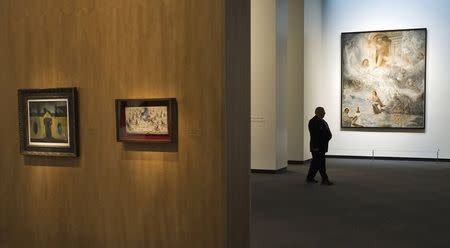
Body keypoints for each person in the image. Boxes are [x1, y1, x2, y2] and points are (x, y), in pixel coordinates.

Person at [306, 107, 334, 185]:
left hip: (322, 146)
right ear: (317, 112)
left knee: (317, 163)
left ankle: (310, 178)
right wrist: (315, 147)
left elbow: (326, 132)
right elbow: (315, 135)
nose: (324, 113)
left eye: (324, 112)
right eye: (323, 112)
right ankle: (324, 179)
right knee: (319, 163)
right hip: (317, 147)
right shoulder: (313, 121)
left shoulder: (322, 121)